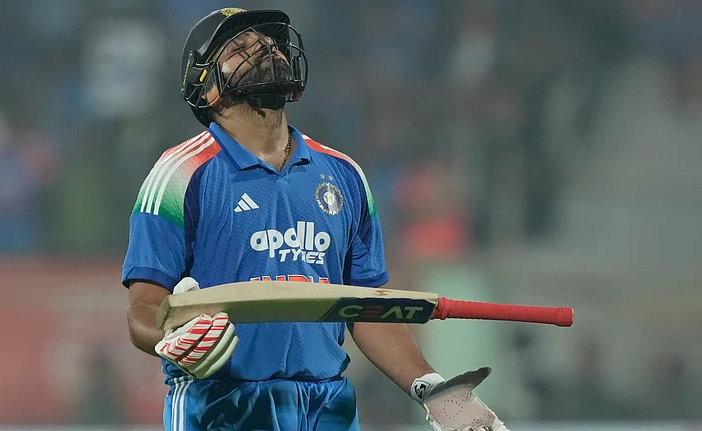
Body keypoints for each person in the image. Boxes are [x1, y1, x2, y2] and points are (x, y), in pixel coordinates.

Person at [122, 7, 508, 431]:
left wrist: (435, 390)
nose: (266, 50)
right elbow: (143, 309)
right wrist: (169, 340)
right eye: (242, 47)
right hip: (221, 406)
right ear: (206, 84)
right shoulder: (179, 174)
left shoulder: (345, 174)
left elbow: (366, 310)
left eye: (271, 43)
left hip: (328, 406)